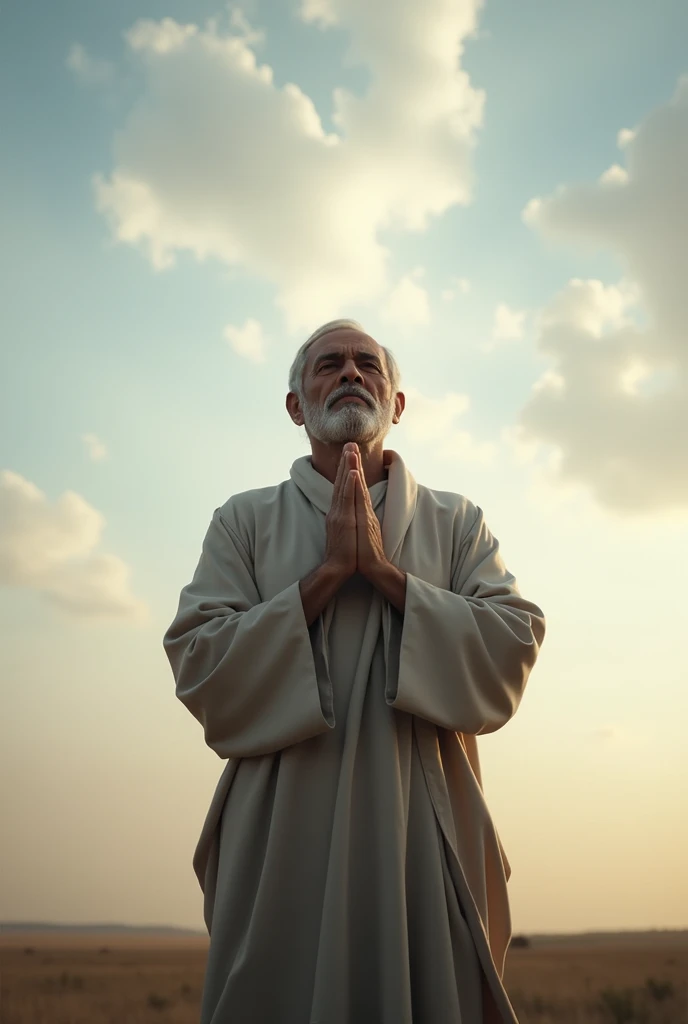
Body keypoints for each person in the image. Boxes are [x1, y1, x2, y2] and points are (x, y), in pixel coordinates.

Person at [163, 318, 546, 1024]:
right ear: (295, 405)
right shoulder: (244, 522)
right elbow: (200, 659)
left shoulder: (456, 523)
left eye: (368, 364)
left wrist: (387, 576)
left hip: (418, 827)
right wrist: (330, 576)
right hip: (284, 826)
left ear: (397, 403)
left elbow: (512, 642)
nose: (349, 374)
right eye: (328, 364)